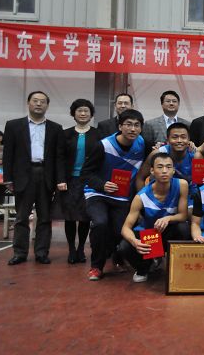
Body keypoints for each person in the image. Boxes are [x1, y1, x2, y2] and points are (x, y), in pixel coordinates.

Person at [81, 109, 146, 281]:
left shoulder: (142, 144)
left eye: (137, 125)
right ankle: (96, 266)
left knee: (120, 230)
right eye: (128, 124)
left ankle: (117, 256)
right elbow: (85, 173)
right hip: (97, 194)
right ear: (120, 126)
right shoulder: (103, 146)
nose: (132, 129)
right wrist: (102, 185)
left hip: (122, 197)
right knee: (100, 223)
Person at [4, 91, 65, 265]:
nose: (39, 104)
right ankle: (19, 253)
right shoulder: (13, 125)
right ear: (28, 103)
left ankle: (41, 252)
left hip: (46, 175)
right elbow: (8, 154)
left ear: (47, 105)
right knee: (22, 217)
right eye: (35, 101)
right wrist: (8, 178)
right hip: (23, 175)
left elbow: (59, 156)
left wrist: (60, 179)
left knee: (45, 217)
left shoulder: (55, 128)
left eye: (42, 101)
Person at [118, 152, 190, 283]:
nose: (164, 171)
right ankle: (143, 268)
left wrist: (168, 219)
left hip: (169, 231)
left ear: (173, 170)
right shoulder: (141, 197)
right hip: (150, 236)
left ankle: (178, 267)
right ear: (152, 171)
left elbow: (183, 215)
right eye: (160, 167)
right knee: (124, 246)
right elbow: (125, 228)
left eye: (168, 167)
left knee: (184, 228)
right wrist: (135, 242)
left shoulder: (182, 185)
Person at [61, 99, 102, 264]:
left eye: (86, 111)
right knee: (70, 217)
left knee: (85, 216)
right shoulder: (65, 134)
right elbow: (59, 158)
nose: (83, 114)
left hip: (89, 180)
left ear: (91, 114)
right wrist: (60, 179)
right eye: (79, 111)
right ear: (73, 113)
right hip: (70, 181)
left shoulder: (98, 134)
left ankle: (81, 249)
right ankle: (71, 249)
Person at [136, 122, 197, 215]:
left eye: (183, 137)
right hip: (160, 195)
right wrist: (143, 202)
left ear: (189, 140)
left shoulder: (196, 156)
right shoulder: (157, 154)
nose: (179, 140)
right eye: (175, 137)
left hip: (187, 195)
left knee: (190, 215)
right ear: (167, 140)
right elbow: (140, 178)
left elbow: (201, 184)